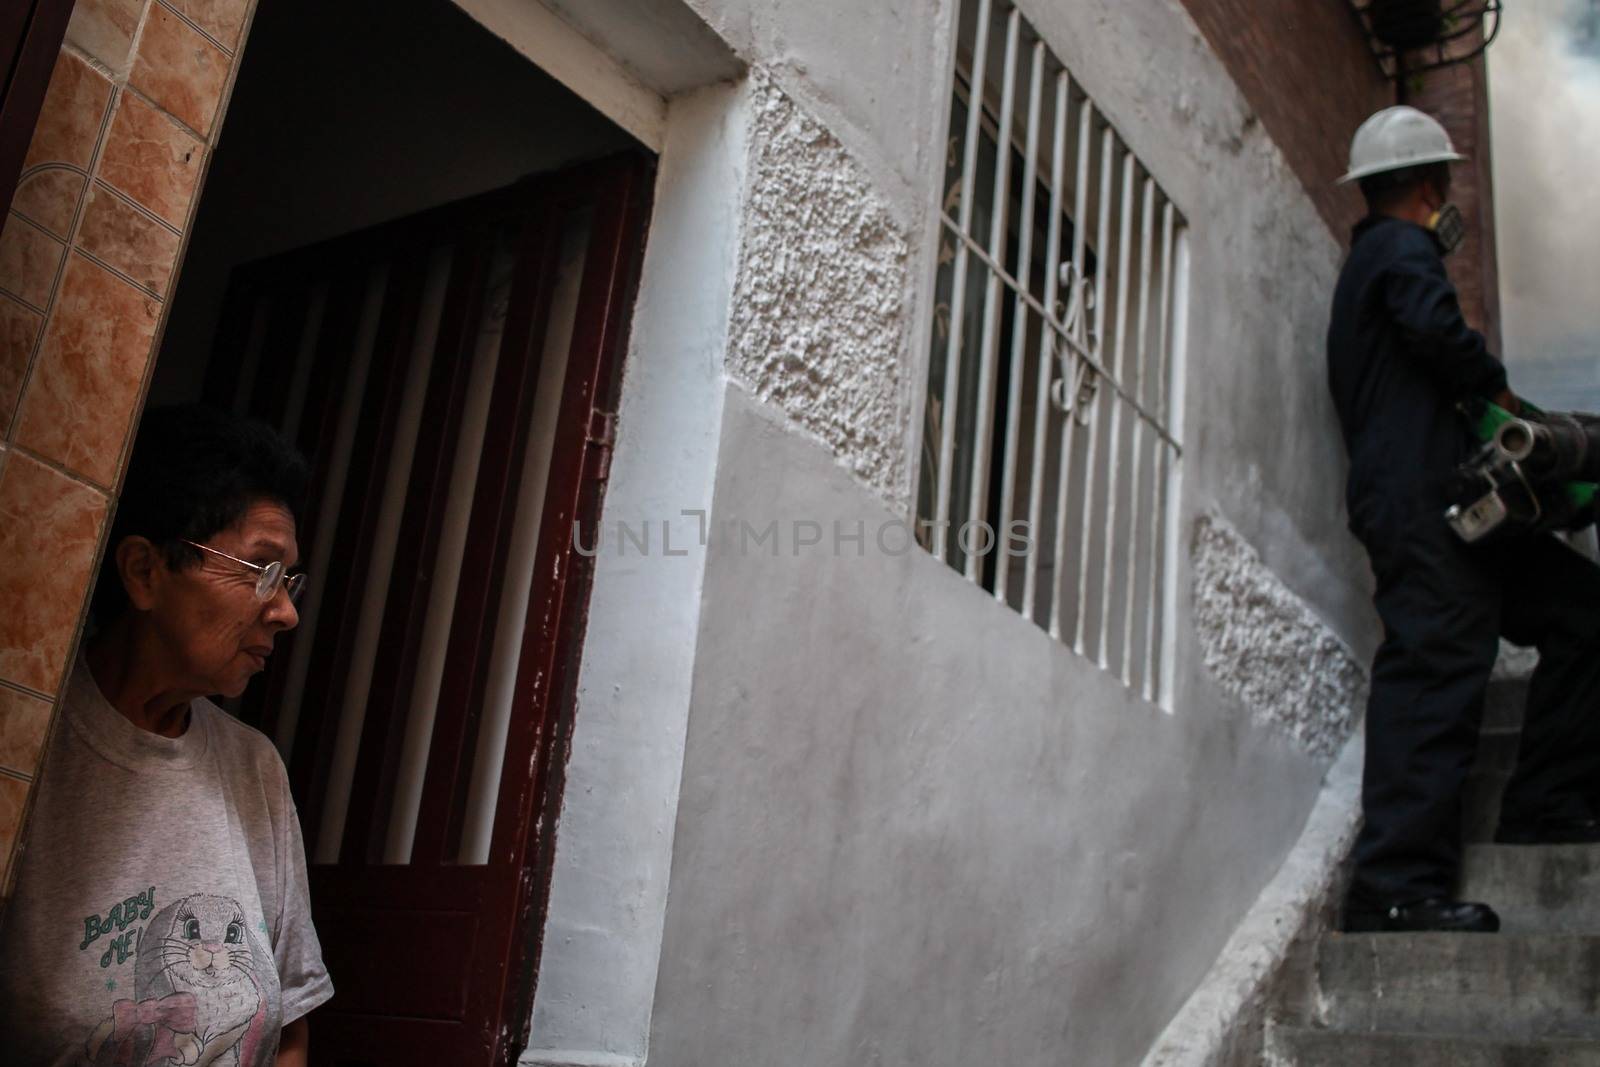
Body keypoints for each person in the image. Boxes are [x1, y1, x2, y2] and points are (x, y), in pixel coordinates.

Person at [1329, 106, 1600, 934]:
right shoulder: (1397, 249)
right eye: (1445, 181)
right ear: (1429, 183)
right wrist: (1500, 388)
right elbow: (1440, 335)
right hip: (1425, 513)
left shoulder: (1371, 265)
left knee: (1584, 614)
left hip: (1456, 511)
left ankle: (1546, 805)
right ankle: (1393, 887)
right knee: (1435, 673)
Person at [0, 405, 332, 1064]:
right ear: (146, 571)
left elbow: (291, 1025)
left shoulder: (253, 766)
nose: (287, 610)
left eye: (288, 579)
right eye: (261, 569)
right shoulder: (28, 741)